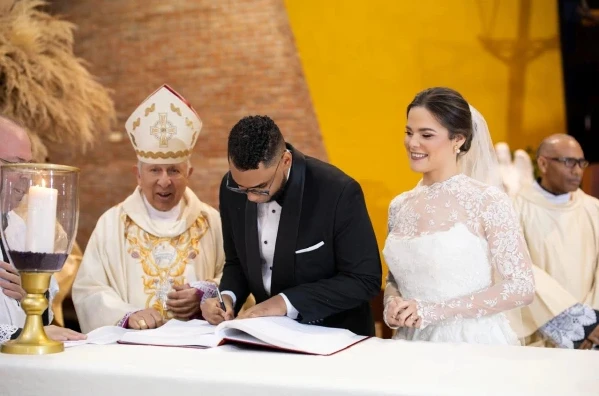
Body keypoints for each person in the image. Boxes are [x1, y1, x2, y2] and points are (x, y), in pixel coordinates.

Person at [200, 115, 382, 336]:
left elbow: (364, 279)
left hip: (335, 337)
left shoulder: (338, 191)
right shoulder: (230, 188)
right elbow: (237, 262)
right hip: (267, 339)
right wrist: (226, 297)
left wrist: (285, 302)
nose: (251, 199)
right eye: (242, 188)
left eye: (260, 187)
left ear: (286, 161)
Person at [383, 87, 535, 345]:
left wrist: (434, 311)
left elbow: (521, 287)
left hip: (469, 341)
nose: (412, 143)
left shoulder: (487, 201)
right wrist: (391, 302)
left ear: (458, 140)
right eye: (409, 132)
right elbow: (394, 278)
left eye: (426, 134)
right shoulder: (399, 205)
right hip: (410, 341)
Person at [72, 85, 224, 333]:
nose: (164, 181)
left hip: (197, 348)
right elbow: (89, 288)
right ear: (138, 175)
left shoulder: (211, 221)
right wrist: (127, 315)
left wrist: (203, 295)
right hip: (133, 348)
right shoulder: (112, 223)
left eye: (174, 170)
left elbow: (234, 282)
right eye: (155, 170)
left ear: (189, 174)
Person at [0, 115, 85, 343]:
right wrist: (21, 336)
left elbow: (45, 315)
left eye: (30, 166)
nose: (27, 180)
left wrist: (31, 295)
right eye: (17, 165)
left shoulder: (19, 228)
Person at [513, 134, 599, 349]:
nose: (578, 170)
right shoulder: (514, 208)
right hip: (541, 334)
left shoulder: (594, 209)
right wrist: (577, 327)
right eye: (568, 162)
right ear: (542, 163)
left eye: (581, 163)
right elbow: (517, 268)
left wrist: (592, 324)